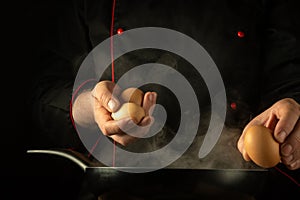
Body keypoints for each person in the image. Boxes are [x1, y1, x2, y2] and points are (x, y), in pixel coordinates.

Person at [29, 0, 300, 199]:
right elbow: (47, 88)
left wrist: (293, 118)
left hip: (238, 189)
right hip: (117, 192)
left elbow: (289, 80)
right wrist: (90, 107)